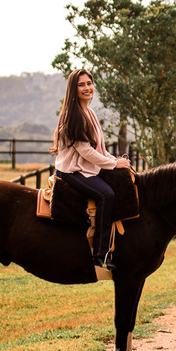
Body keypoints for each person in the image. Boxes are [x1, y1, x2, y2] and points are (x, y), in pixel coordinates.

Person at [52, 69, 131, 270]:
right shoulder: (74, 115)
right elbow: (85, 151)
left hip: (87, 168)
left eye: (89, 83)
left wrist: (117, 161)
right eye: (81, 85)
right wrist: (113, 164)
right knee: (107, 195)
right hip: (72, 171)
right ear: (73, 89)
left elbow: (99, 149)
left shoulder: (90, 112)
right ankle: (101, 253)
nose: (87, 88)